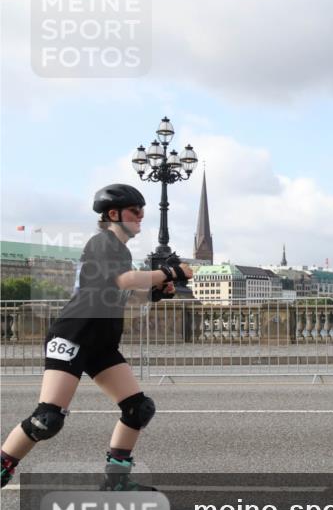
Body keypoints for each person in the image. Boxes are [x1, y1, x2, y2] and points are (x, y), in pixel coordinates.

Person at [0, 184, 193, 490]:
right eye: (135, 211)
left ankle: (116, 482)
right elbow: (123, 280)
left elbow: (121, 291)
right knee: (47, 420)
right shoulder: (103, 242)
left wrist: (155, 292)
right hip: (74, 334)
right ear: (113, 214)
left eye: (142, 211)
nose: (141, 217)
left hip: (102, 342)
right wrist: (171, 274)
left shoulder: (120, 250)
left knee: (138, 409)